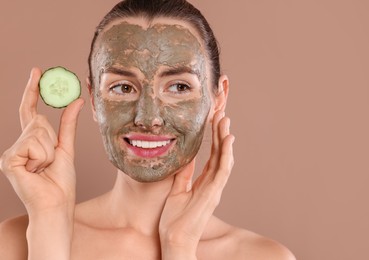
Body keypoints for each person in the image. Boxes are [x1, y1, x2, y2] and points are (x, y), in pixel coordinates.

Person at [0, 0, 295, 259]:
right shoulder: (15, 242)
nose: (148, 117)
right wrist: (50, 223)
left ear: (218, 99)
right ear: (94, 99)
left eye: (179, 87)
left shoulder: (263, 257)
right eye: (123, 87)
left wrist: (179, 247)